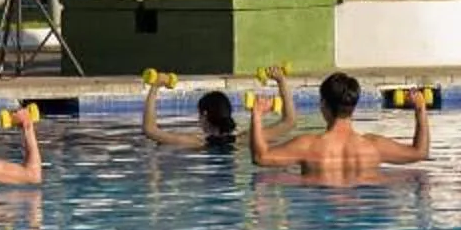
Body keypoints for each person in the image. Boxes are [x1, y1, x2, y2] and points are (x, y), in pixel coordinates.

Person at [250, 71, 430, 178]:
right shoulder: (374, 147)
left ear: (323, 105)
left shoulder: (307, 146)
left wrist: (257, 115)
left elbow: (260, 157)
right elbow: (419, 152)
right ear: (354, 106)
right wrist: (420, 109)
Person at [141, 70, 252, 151]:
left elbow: (150, 130)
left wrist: (154, 87)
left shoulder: (196, 142)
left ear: (204, 114)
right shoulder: (244, 139)